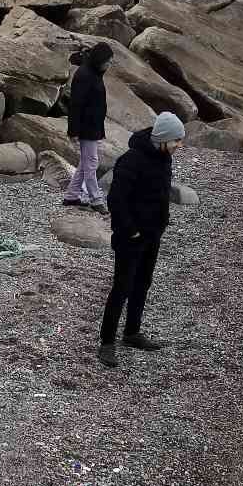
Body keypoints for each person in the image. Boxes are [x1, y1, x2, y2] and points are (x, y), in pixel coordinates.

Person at [98, 111, 184, 368]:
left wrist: (161, 222)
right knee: (122, 287)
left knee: (143, 283)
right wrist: (130, 230)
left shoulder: (164, 157)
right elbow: (116, 199)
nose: (180, 145)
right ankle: (107, 342)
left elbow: (160, 194)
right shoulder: (131, 160)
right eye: (176, 140)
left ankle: (132, 332)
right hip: (131, 237)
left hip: (153, 233)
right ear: (163, 139)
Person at [62, 41, 112, 211]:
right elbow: (75, 105)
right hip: (86, 127)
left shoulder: (95, 72)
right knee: (91, 162)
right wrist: (73, 131)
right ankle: (96, 200)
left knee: (86, 162)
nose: (109, 65)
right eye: (108, 61)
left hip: (93, 126)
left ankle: (71, 196)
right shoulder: (84, 75)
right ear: (100, 60)